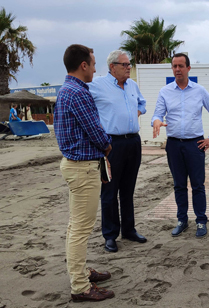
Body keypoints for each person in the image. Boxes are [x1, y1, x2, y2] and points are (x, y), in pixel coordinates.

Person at [54, 44, 114, 302]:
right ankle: (80, 286)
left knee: (75, 226)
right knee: (80, 228)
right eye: (93, 63)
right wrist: (108, 145)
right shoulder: (77, 93)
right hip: (83, 168)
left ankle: (80, 272)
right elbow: (94, 129)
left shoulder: (66, 90)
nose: (95, 68)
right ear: (83, 66)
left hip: (75, 165)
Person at [152, 53, 209, 238]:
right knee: (179, 185)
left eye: (181, 66)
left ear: (188, 68)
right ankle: (182, 220)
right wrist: (157, 122)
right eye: (174, 66)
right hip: (174, 145)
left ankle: (201, 221)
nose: (177, 69)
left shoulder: (199, 91)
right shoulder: (165, 92)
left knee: (198, 185)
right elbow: (157, 114)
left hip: (195, 145)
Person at [89, 50, 147, 253]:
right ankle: (110, 235)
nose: (129, 67)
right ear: (112, 67)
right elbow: (85, 106)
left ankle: (129, 230)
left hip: (133, 141)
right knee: (110, 191)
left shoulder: (132, 85)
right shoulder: (97, 85)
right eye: (125, 64)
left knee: (128, 190)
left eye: (129, 64)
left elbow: (142, 103)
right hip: (111, 144)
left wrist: (134, 112)